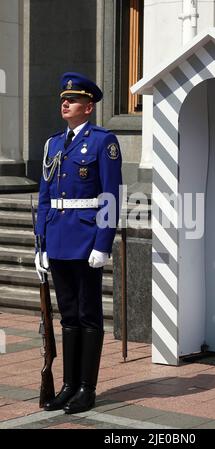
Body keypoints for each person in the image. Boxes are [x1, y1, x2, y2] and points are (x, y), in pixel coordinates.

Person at [34, 72, 122, 414]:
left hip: (86, 239)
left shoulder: (104, 141)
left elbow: (110, 196)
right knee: (68, 315)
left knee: (88, 314)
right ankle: (68, 386)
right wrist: (41, 243)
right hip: (56, 238)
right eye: (62, 100)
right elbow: (44, 197)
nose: (64, 104)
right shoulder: (53, 144)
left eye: (71, 100)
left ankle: (87, 388)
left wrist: (103, 242)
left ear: (88, 106)